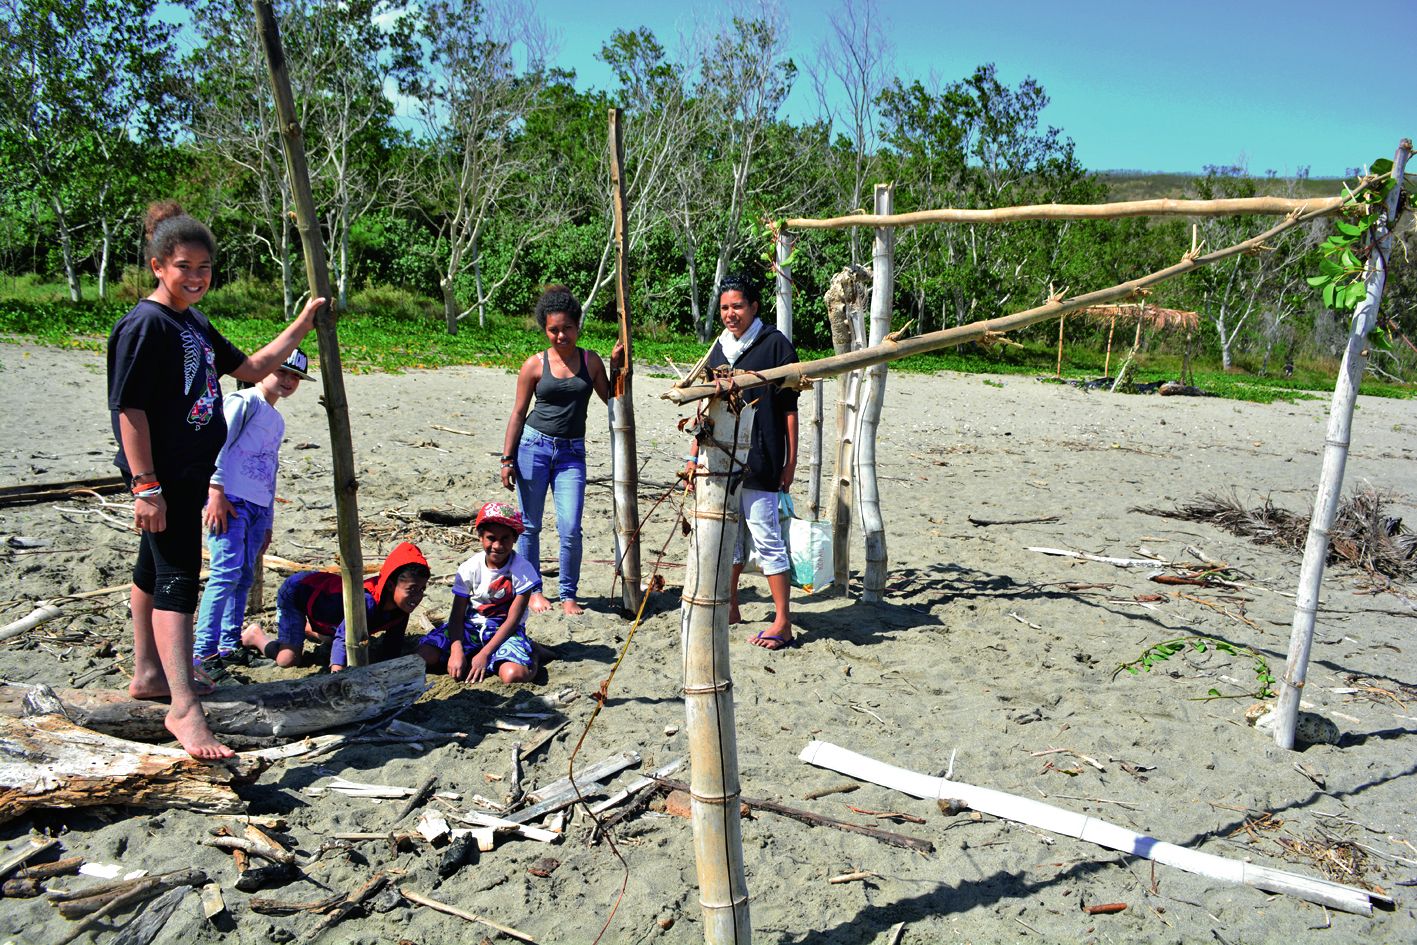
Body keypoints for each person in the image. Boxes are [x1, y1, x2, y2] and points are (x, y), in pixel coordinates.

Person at [108, 200, 323, 759]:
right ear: (158, 265)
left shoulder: (193, 322)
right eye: (185, 267)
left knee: (150, 572)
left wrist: (302, 322)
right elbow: (128, 409)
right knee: (178, 581)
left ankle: (149, 674)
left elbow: (251, 368)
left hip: (186, 469)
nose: (197, 277)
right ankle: (183, 707)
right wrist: (146, 486)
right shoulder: (146, 324)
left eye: (205, 268)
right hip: (169, 478)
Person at [683, 274, 800, 650]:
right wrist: (692, 458)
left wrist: (790, 462)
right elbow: (705, 408)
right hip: (719, 456)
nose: (730, 314)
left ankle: (783, 621)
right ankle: (730, 605)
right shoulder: (718, 349)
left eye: (737, 306)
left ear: (753, 307)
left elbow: (790, 409)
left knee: (766, 537)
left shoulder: (775, 345)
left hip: (763, 457)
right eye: (724, 308)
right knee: (727, 537)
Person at [500, 286, 622, 616]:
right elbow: (518, 412)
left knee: (570, 527)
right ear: (545, 329)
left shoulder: (590, 361)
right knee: (530, 525)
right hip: (533, 448)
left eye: (566, 328)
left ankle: (568, 594)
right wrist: (507, 458)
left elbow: (613, 399)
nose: (560, 335)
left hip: (572, 453)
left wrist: (616, 366)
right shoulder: (534, 365)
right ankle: (535, 590)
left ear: (577, 326)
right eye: (553, 329)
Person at [193, 348, 313, 669]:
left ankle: (230, 644)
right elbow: (216, 444)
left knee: (244, 576)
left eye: (295, 377)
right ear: (263, 370)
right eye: (282, 372)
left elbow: (271, 470)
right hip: (230, 500)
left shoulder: (276, 419)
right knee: (224, 574)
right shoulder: (243, 402)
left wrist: (269, 518)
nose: (288, 381)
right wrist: (215, 492)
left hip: (257, 506)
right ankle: (204, 652)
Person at [240, 541, 429, 671]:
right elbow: (342, 638)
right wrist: (337, 671)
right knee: (288, 660)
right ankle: (255, 636)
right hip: (299, 592)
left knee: (337, 632)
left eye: (422, 589)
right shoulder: (367, 602)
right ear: (389, 584)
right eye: (412, 589)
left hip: (332, 614)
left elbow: (392, 646)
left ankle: (307, 629)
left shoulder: (402, 609)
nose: (417, 597)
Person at [417, 502, 544, 684]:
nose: (498, 545)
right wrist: (456, 649)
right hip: (471, 627)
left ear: (515, 538)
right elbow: (457, 615)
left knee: (513, 675)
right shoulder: (469, 568)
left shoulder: (523, 570)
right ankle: (471, 654)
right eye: (491, 538)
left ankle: (535, 654)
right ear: (480, 537)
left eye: (505, 538)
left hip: (505, 631)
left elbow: (513, 620)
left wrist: (485, 653)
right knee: (424, 657)